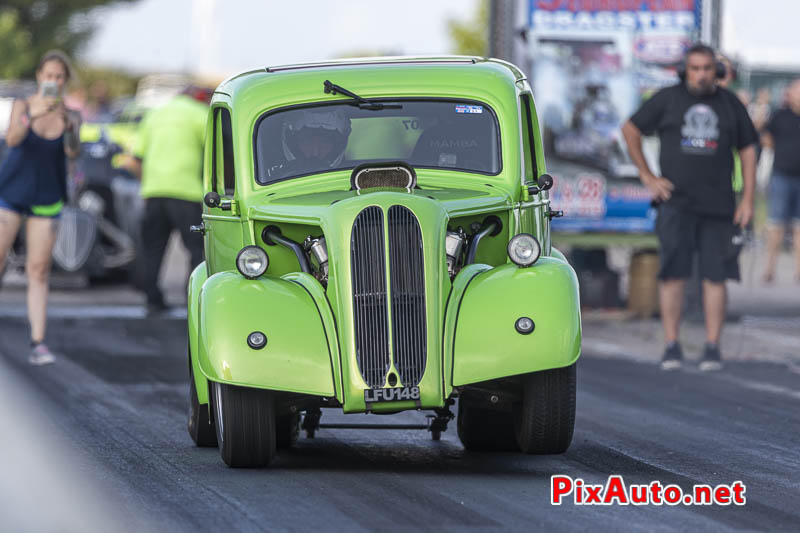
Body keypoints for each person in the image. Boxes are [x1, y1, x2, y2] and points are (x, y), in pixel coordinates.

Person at [621, 44, 758, 371]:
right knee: (673, 275)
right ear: (685, 70)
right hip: (675, 203)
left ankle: (712, 347)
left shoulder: (729, 105)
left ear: (717, 72)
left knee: (715, 277)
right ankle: (671, 346)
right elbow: (630, 129)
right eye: (695, 68)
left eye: (707, 68)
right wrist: (647, 175)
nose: (701, 74)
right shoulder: (668, 99)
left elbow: (749, 148)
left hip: (719, 206)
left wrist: (749, 198)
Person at [0, 50, 81, 365]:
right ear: (39, 76)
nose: (53, 81)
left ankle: (38, 341)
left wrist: (68, 124)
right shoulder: (23, 105)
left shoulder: (71, 114)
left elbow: (73, 153)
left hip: (47, 197)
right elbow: (13, 140)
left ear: (65, 81)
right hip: (11, 192)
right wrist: (31, 114)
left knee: (39, 270)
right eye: (48, 75)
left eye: (59, 76)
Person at [129, 86, 209, 313]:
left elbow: (136, 159)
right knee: (195, 250)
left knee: (153, 249)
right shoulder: (200, 114)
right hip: (188, 193)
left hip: (154, 192)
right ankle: (192, 300)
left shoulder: (155, 114)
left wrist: (148, 184)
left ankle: (152, 299)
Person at [761, 79, 800, 283]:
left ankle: (798, 271)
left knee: (798, 227)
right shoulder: (780, 115)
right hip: (782, 176)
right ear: (791, 94)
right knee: (776, 224)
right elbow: (764, 134)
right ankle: (769, 269)